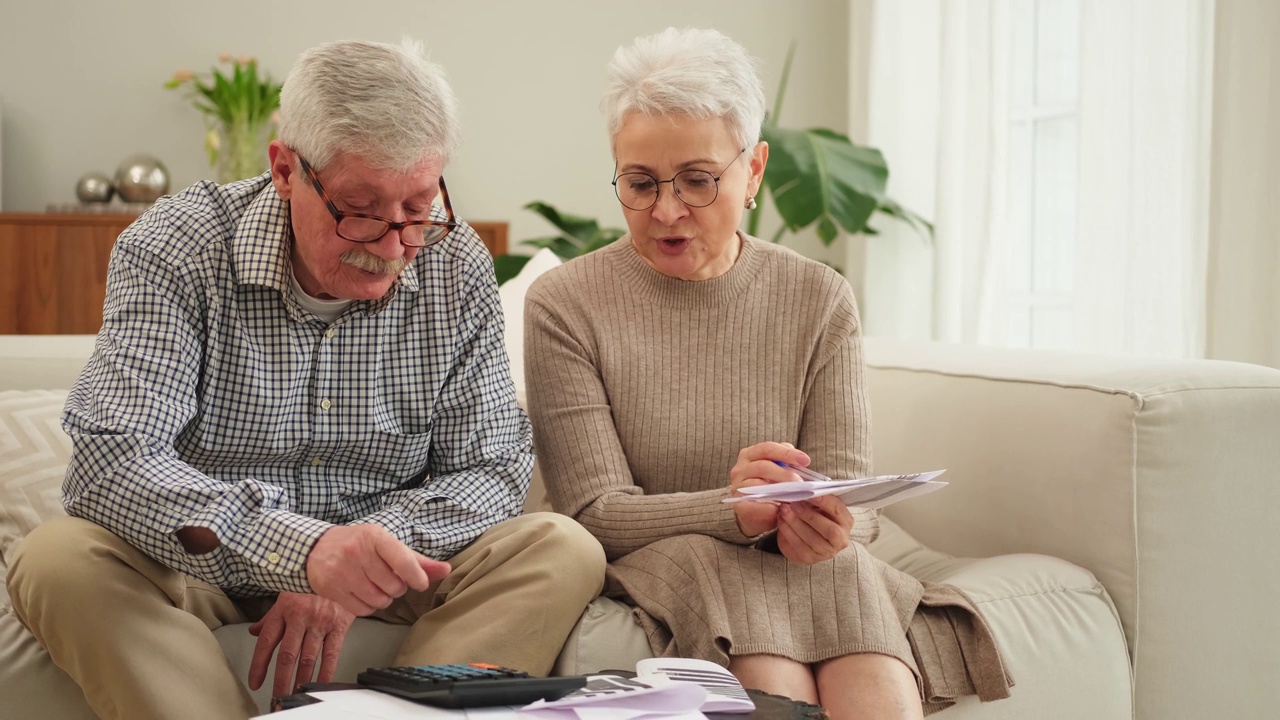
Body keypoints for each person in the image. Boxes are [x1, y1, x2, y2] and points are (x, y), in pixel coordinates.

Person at [7, 38, 605, 720]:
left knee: (560, 547)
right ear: (285, 169)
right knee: (56, 560)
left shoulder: (456, 262)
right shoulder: (175, 246)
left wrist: (357, 563)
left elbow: (493, 470)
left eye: (417, 208)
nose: (392, 248)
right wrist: (304, 550)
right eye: (360, 208)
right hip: (203, 564)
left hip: (394, 565)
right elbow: (113, 464)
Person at [524, 28, 1012, 720]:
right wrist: (733, 510)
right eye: (639, 183)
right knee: (765, 658)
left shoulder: (818, 296)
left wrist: (828, 522)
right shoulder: (567, 303)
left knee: (854, 611)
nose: (666, 210)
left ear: (753, 171)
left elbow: (854, 497)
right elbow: (592, 512)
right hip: (670, 552)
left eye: (697, 180)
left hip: (802, 561)